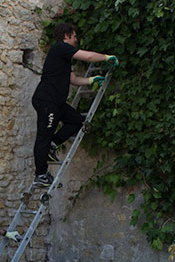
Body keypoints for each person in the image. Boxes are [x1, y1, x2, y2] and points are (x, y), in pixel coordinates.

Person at [31, 22, 118, 187]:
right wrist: (107, 57)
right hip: (47, 101)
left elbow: (73, 80)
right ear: (66, 36)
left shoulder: (64, 57)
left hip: (57, 103)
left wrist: (92, 80)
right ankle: (40, 175)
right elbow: (88, 57)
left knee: (77, 121)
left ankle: (53, 144)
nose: (76, 39)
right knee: (44, 135)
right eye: (74, 36)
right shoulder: (60, 48)